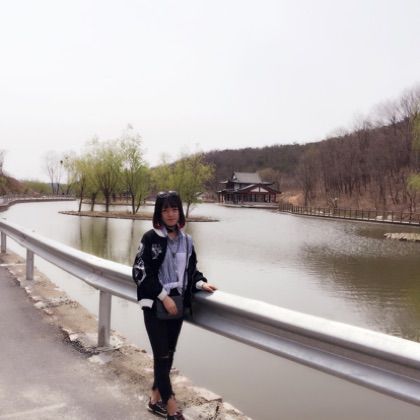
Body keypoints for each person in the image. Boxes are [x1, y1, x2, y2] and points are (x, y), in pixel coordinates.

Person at [132, 191, 217, 420]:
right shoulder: (151, 238)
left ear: (180, 212)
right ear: (159, 213)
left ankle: (154, 400)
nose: (170, 214)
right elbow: (140, 273)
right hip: (155, 306)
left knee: (168, 356)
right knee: (161, 357)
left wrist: (200, 283)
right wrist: (163, 296)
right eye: (165, 210)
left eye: (174, 209)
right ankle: (171, 408)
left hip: (177, 305)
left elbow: (191, 270)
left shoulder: (186, 241)